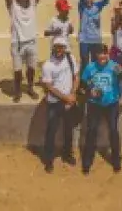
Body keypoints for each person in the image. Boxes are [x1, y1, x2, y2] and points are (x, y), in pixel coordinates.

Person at [3, 0, 47, 102]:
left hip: (31, 42)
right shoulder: (14, 7)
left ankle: (30, 88)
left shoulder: (33, 3)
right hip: (17, 43)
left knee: (31, 69)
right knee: (17, 71)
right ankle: (17, 92)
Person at [80, 44, 122, 173]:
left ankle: (116, 160)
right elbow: (83, 84)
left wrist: (121, 73)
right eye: (100, 54)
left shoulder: (113, 66)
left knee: (113, 130)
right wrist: (90, 91)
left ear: (107, 54)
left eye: (104, 53)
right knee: (92, 130)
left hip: (111, 103)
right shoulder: (90, 67)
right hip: (94, 104)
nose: (102, 56)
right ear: (96, 55)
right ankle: (87, 161)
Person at [40, 37, 79, 173]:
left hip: (69, 100)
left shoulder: (70, 59)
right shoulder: (47, 65)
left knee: (68, 129)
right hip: (55, 102)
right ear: (53, 47)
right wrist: (66, 98)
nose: (59, 49)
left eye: (61, 46)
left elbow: (76, 76)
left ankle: (67, 155)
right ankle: (49, 160)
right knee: (51, 131)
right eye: (57, 46)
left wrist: (73, 94)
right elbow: (49, 86)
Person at [77, 0, 110, 72]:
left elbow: (106, 0)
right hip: (84, 40)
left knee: (96, 61)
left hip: (96, 39)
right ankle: (84, 83)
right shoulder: (82, 7)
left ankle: (96, 82)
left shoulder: (97, 6)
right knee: (84, 61)